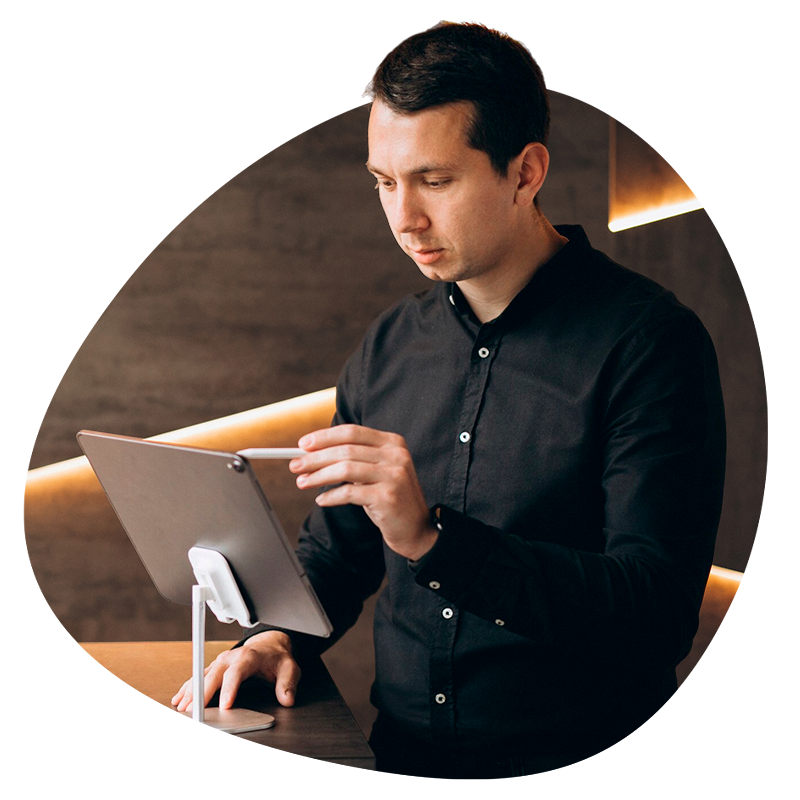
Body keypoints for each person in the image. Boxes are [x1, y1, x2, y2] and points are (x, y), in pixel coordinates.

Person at [171, 23, 726, 780]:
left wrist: (435, 542)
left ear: (525, 172)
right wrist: (277, 638)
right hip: (400, 765)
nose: (404, 218)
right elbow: (338, 553)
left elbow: (654, 614)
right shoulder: (390, 344)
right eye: (384, 182)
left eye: (434, 181)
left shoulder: (650, 343)